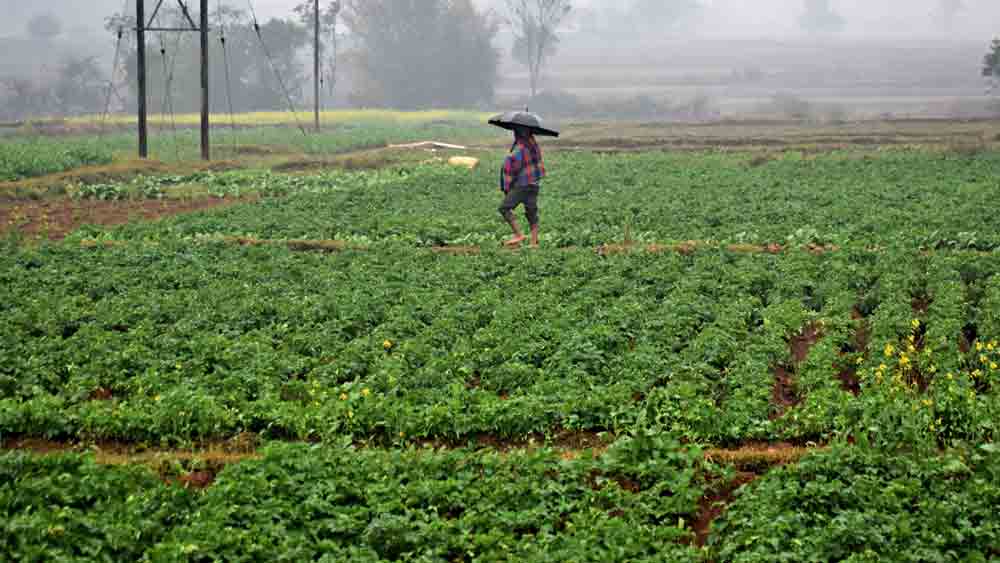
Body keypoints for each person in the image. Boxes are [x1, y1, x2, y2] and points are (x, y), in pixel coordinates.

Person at [498, 125, 546, 247]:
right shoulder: (533, 145)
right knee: (531, 211)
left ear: (518, 134)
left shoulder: (518, 149)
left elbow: (509, 169)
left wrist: (507, 187)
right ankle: (534, 242)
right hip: (534, 184)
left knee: (504, 208)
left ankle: (519, 234)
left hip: (522, 185)